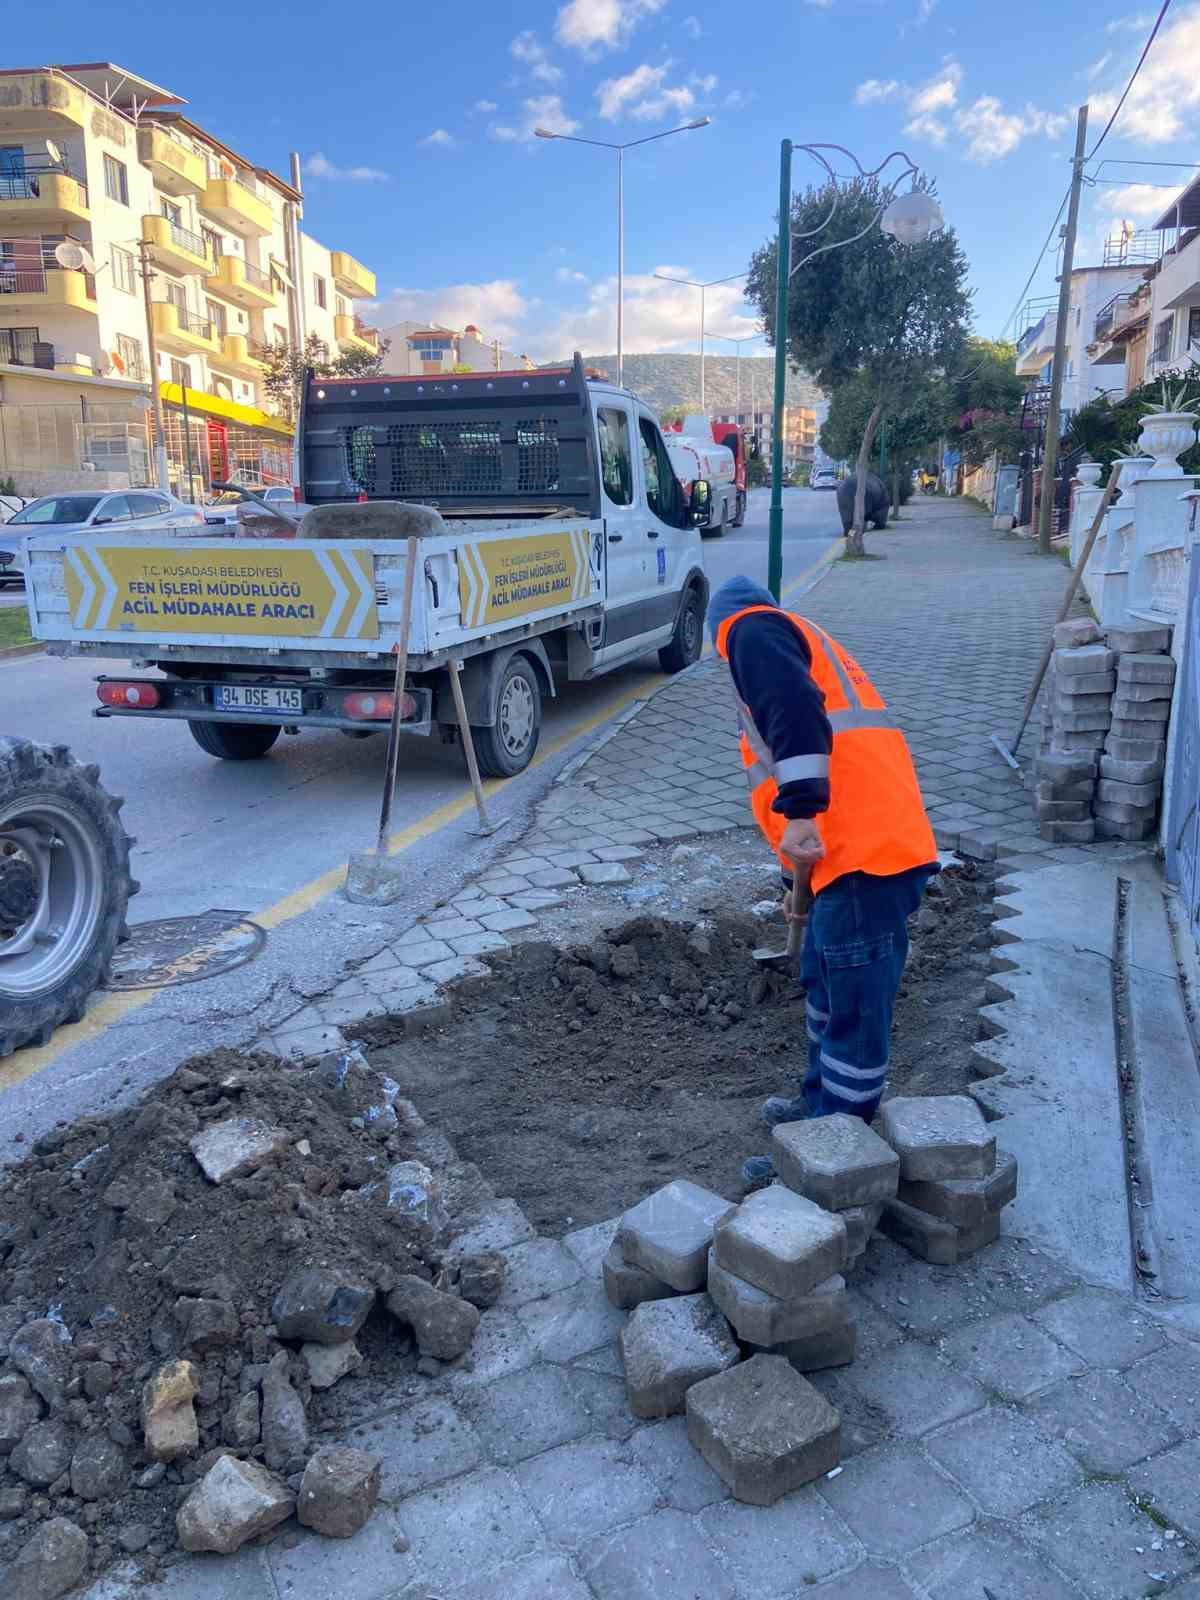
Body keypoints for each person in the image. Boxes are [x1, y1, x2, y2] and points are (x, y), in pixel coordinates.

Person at [708, 576, 938, 1184]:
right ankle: (817, 1108)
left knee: (854, 1011)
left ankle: (837, 1154)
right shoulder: (793, 638)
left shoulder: (749, 630)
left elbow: (796, 717)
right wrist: (795, 881)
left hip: (867, 858)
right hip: (847, 855)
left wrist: (804, 810)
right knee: (826, 986)